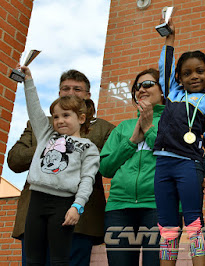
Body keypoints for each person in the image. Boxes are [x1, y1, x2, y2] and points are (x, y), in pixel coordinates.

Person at [8, 69, 115, 265]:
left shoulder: (105, 129)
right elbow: (14, 159)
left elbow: (95, 173)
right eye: (66, 88)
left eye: (77, 89)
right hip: (35, 207)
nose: (71, 93)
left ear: (87, 96)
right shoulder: (45, 129)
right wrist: (49, 147)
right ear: (58, 93)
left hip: (77, 218)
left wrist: (77, 205)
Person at [153, 19, 205, 266]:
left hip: (189, 164)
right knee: (167, 225)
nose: (194, 76)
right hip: (162, 164)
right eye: (187, 73)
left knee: (193, 221)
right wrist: (169, 39)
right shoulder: (172, 93)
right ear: (179, 78)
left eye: (200, 71)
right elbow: (165, 68)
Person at [99, 68, 165, 266]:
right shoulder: (123, 127)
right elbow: (106, 168)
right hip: (119, 207)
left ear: (162, 91)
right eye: (137, 87)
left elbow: (174, 157)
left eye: (148, 84)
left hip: (159, 206)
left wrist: (148, 129)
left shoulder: (173, 122)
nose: (141, 90)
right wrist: (131, 141)